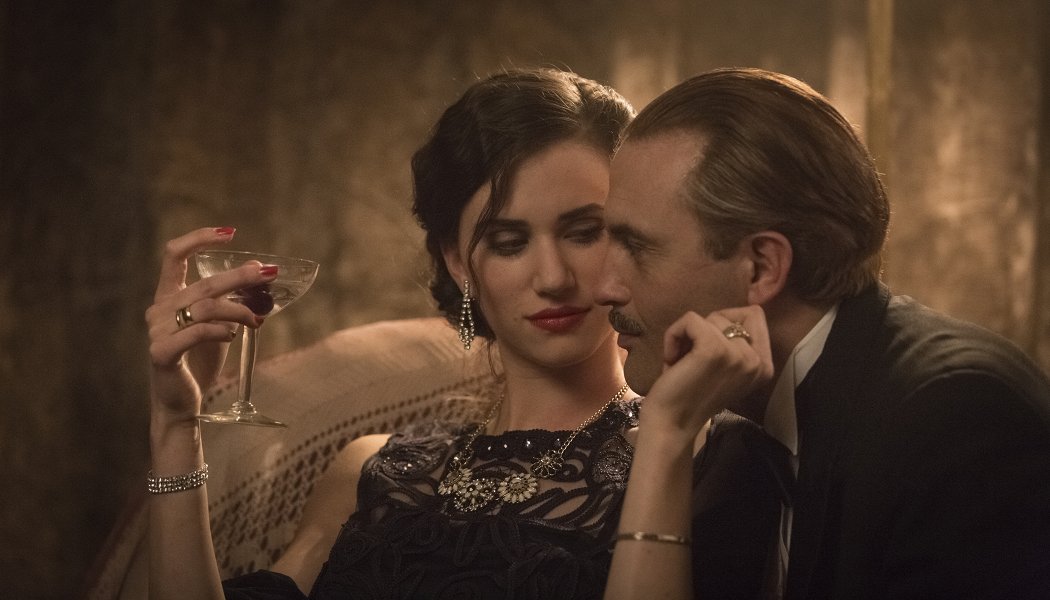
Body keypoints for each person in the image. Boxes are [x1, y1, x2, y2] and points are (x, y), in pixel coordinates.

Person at [144, 68, 784, 600]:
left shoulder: (708, 454)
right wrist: (175, 427)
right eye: (508, 242)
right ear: (458, 263)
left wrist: (666, 436)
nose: (553, 278)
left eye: (584, 232)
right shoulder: (373, 467)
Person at [598, 66, 1050, 600]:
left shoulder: (957, 416)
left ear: (762, 268)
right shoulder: (738, 438)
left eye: (636, 246)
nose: (604, 287)